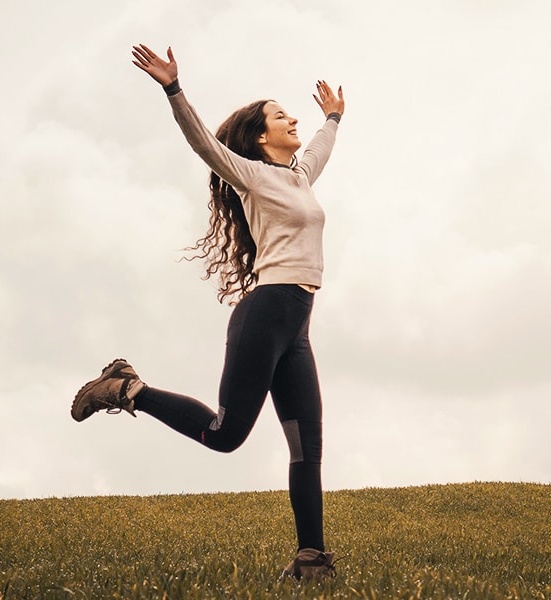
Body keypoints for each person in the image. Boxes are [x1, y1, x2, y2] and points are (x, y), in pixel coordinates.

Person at [70, 43, 345, 581]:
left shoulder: (297, 178)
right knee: (224, 435)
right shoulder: (251, 175)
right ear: (261, 137)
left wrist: (332, 117)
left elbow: (320, 148)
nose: (293, 118)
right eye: (280, 115)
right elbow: (202, 143)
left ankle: (311, 560)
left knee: (306, 445)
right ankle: (128, 389)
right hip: (267, 313)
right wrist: (174, 89)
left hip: (296, 324)